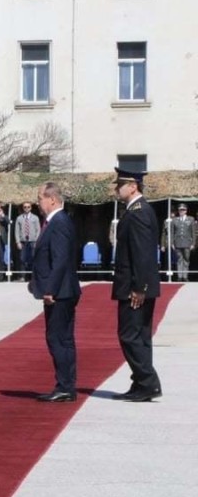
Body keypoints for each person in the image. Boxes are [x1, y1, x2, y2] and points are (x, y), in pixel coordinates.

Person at [111, 167, 162, 402]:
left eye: (120, 184)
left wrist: (139, 288)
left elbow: (142, 253)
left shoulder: (139, 212)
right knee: (140, 336)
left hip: (135, 287)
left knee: (129, 335)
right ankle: (141, 383)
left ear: (133, 186)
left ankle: (148, 382)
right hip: (137, 284)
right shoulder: (137, 210)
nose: (116, 187)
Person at [30, 182, 81, 402]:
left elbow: (60, 259)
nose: (38, 202)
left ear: (52, 199)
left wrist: (51, 288)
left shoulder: (58, 222)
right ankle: (66, 385)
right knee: (63, 338)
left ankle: (65, 386)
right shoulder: (55, 221)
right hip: (63, 289)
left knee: (57, 338)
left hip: (60, 291)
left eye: (40, 197)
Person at [15, 202, 41, 282]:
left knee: (33, 258)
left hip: (33, 241)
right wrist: (18, 242)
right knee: (22, 259)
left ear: (31, 208)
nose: (26, 208)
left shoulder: (35, 218)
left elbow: (38, 230)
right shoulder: (19, 218)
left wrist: (37, 240)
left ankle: (33, 277)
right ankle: (22, 276)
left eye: (28, 207)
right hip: (23, 241)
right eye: (25, 207)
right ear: (23, 208)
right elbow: (17, 231)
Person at [169, 203, 195, 282]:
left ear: (186, 211)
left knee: (186, 260)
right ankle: (180, 276)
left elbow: (193, 232)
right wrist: (172, 243)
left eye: (183, 210)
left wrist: (193, 243)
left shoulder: (191, 219)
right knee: (179, 260)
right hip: (178, 243)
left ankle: (185, 276)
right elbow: (172, 232)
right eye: (180, 210)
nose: (182, 211)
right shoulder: (175, 220)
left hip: (187, 243)